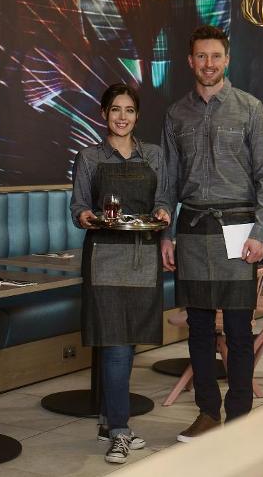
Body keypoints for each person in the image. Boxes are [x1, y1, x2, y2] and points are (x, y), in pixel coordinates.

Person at [160, 25, 263, 442]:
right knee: (198, 328)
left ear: (227, 60)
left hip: (238, 227)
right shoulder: (176, 114)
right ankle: (208, 413)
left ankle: (241, 415)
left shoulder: (250, 109)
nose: (208, 64)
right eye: (201, 57)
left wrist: (260, 232)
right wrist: (165, 235)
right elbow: (168, 181)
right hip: (191, 227)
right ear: (190, 61)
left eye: (216, 56)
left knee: (240, 330)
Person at [70, 82, 172, 464]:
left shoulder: (155, 155)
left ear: (137, 116)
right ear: (103, 114)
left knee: (127, 344)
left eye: (129, 110)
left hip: (142, 257)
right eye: (115, 110)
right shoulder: (89, 157)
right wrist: (86, 216)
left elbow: (163, 199)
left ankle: (106, 420)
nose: (122, 117)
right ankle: (119, 430)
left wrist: (164, 214)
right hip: (104, 259)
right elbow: (79, 205)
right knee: (114, 345)